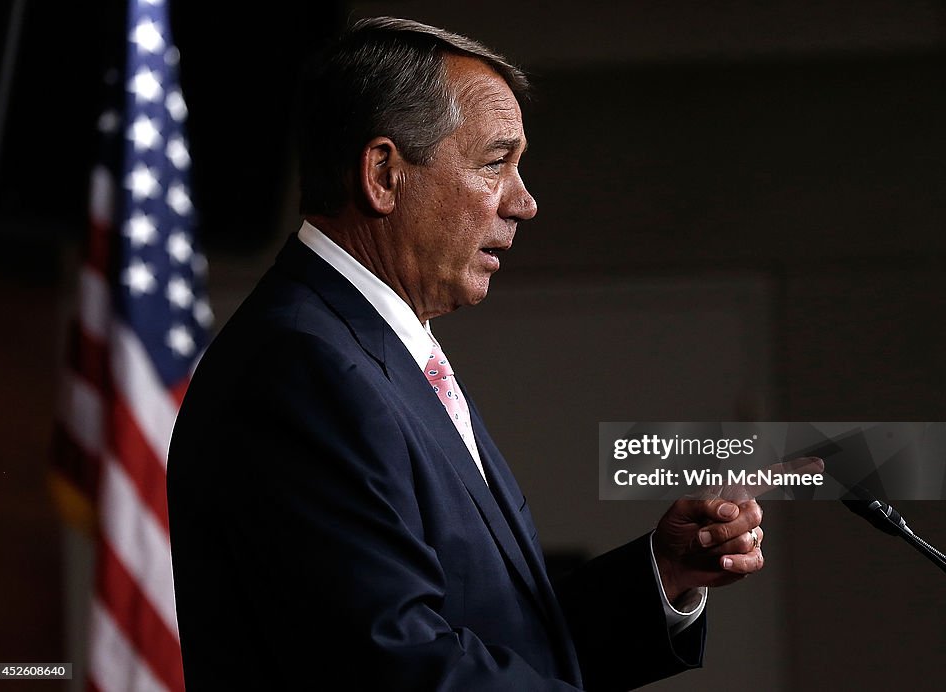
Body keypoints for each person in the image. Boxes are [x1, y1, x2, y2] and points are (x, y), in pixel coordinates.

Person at [167, 16, 765, 690]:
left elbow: (494, 631)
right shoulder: (302, 370)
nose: (526, 202)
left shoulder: (374, 352)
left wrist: (660, 574)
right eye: (494, 163)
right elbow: (391, 664)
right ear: (385, 175)